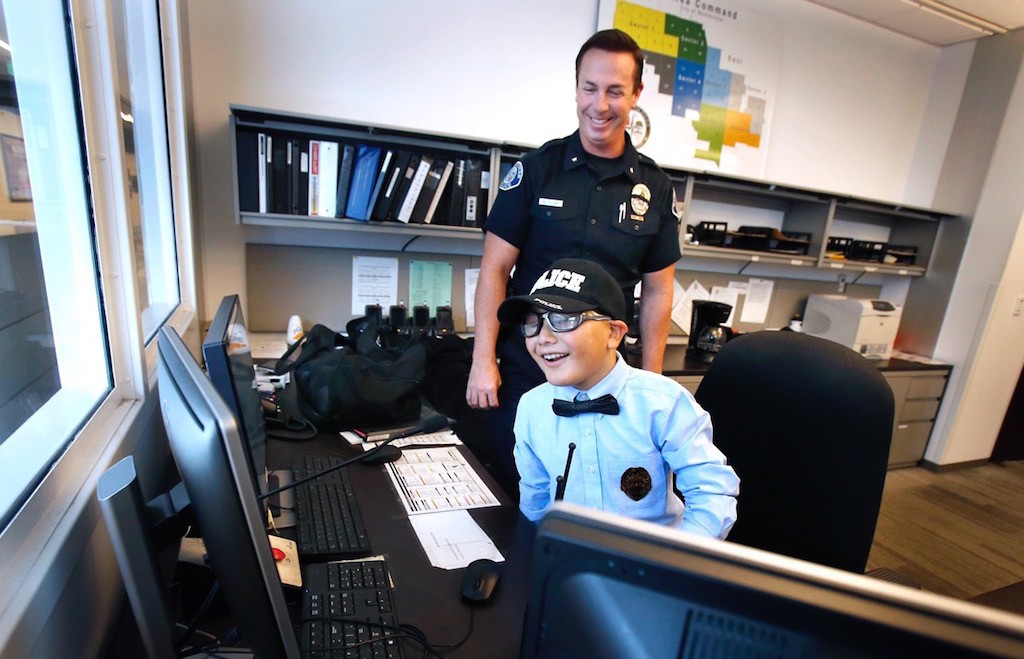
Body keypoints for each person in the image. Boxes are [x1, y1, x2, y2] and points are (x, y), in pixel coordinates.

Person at [467, 28, 681, 495]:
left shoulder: (656, 189)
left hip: (608, 376)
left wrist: (654, 380)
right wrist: (483, 359)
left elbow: (659, 289)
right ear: (576, 86)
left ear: (636, 95)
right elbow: (494, 269)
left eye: (614, 91)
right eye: (589, 88)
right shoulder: (536, 169)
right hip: (528, 367)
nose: (599, 105)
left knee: (599, 493)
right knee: (516, 489)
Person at [497, 258, 738, 538]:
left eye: (563, 320)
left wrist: (678, 561)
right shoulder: (531, 407)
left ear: (613, 333)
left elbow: (711, 489)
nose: (543, 337)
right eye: (532, 323)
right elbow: (535, 501)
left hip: (651, 561)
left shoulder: (663, 402)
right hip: (571, 559)